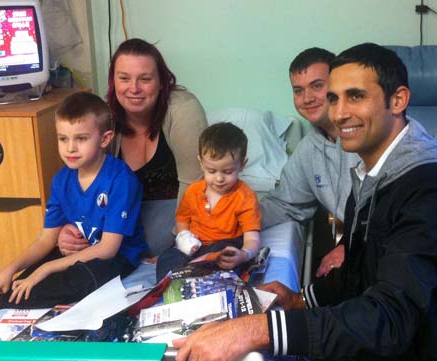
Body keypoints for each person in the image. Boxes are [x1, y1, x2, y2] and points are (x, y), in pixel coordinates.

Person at [173, 43, 437, 361]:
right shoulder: (368, 172)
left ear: (398, 100)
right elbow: (360, 273)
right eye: (334, 98)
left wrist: (259, 329)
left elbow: (391, 319)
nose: (339, 113)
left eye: (355, 96)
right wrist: (300, 299)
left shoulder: (424, 186)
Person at [0, 91, 147, 332]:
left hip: (115, 258)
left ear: (105, 139)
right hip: (82, 251)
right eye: (63, 139)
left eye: (81, 138)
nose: (70, 148)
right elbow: (46, 240)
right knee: (23, 279)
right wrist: (9, 270)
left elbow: (108, 249)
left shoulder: (121, 180)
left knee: (62, 281)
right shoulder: (61, 180)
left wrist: (47, 269)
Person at [57, 38, 208, 258]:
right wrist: (68, 228)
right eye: (124, 78)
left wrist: (179, 242)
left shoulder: (183, 109)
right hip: (118, 210)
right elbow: (78, 179)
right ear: (113, 81)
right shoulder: (102, 117)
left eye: (145, 79)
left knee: (139, 248)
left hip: (176, 208)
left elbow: (195, 185)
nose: (134, 89)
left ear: (161, 82)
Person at [260, 47, 360, 277]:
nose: (307, 98)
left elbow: (393, 211)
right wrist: (236, 217)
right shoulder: (308, 149)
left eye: (317, 86)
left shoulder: (368, 134)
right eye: (298, 90)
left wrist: (351, 247)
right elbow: (286, 203)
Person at [156, 122, 261, 281]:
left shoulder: (245, 197)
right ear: (201, 163)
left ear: (242, 165)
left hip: (223, 244)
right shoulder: (193, 191)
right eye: (211, 171)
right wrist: (184, 236)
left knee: (226, 254)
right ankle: (173, 286)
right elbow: (182, 218)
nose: (219, 179)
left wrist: (244, 255)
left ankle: (201, 277)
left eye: (228, 172)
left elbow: (252, 239)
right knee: (166, 257)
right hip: (196, 245)